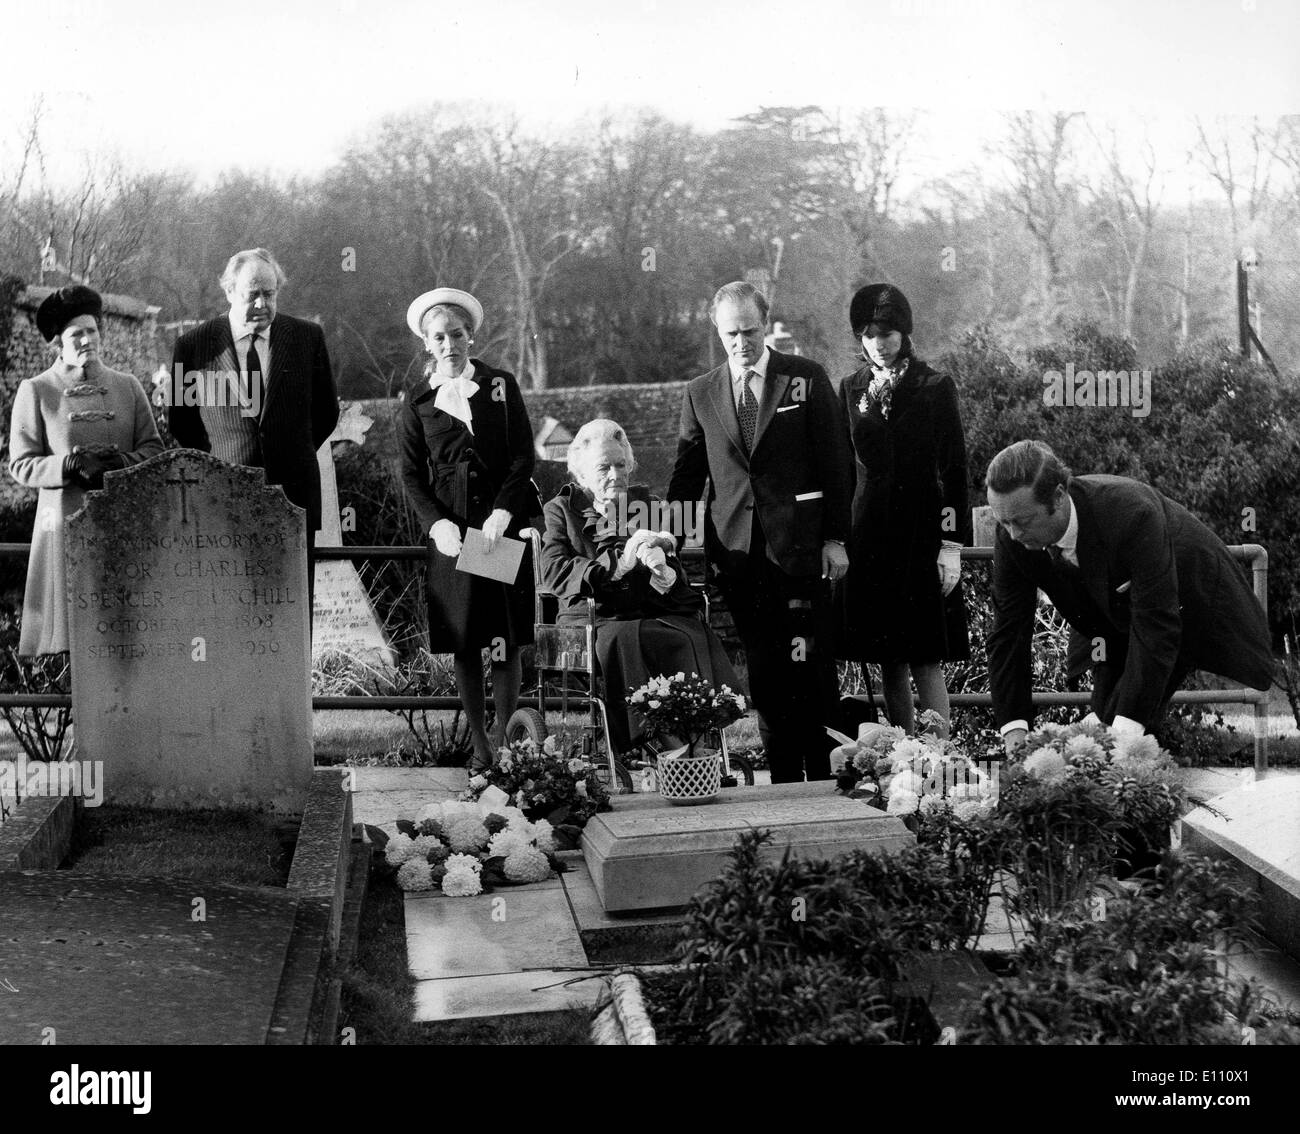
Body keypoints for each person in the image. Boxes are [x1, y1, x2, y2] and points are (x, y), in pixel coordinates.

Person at [666, 281, 852, 783]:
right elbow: (687, 477)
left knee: (810, 664)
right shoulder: (701, 392)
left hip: (802, 551)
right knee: (766, 673)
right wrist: (667, 540)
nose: (742, 342)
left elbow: (836, 464)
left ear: (764, 324)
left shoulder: (804, 379)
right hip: (739, 557)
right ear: (717, 331)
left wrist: (836, 538)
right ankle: (785, 781)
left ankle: (826, 778)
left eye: (750, 330)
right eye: (731, 334)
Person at [985, 440, 1275, 754]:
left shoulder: (1131, 513)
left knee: (1122, 730)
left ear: (1058, 497)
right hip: (1109, 615)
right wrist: (1015, 737)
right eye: (1004, 522)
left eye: (1022, 522)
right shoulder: (1012, 531)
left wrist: (1121, 740)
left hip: (1187, 600)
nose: (1013, 534)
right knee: (1102, 718)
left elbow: (1157, 626)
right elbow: (1008, 633)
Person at [399, 287, 541, 771]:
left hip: (496, 530)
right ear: (427, 344)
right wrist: (435, 522)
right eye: (438, 337)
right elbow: (411, 474)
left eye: (456, 334)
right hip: (452, 534)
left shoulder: (501, 386)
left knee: (503, 636)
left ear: (470, 336)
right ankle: (479, 744)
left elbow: (524, 453)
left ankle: (506, 742)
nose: (449, 344)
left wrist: (504, 510)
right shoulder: (417, 400)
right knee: (465, 639)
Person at [541, 419, 740, 755]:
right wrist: (618, 564)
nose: (616, 475)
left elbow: (668, 556)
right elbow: (553, 569)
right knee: (628, 637)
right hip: (595, 619)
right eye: (604, 467)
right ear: (582, 472)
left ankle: (695, 734)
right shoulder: (562, 510)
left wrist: (669, 575)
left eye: (621, 465)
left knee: (691, 633)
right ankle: (673, 747)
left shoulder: (647, 504)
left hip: (651, 610)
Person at [168, 247, 339, 603]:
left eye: (269, 294)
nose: (262, 304)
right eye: (252, 295)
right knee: (231, 607)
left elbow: (326, 413)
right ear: (229, 291)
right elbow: (181, 422)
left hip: (294, 497)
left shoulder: (307, 338)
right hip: (224, 498)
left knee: (293, 609)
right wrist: (222, 467)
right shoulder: (193, 346)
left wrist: (290, 450)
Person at [836, 284, 971, 736]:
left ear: (904, 334)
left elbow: (954, 469)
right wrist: (837, 537)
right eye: (870, 334)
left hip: (920, 535)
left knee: (925, 654)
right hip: (868, 538)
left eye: (888, 333)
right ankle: (900, 757)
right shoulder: (848, 389)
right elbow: (843, 471)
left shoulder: (934, 386)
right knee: (887, 657)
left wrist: (951, 545)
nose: (879, 343)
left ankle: (939, 756)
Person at [8, 285, 164, 656]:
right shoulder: (37, 390)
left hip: (122, 524)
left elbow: (154, 449)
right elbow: (20, 463)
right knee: (72, 639)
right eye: (76, 334)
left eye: (92, 331)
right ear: (58, 342)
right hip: (64, 525)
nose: (86, 340)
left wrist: (121, 463)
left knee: (123, 638)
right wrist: (66, 465)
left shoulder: (128, 388)